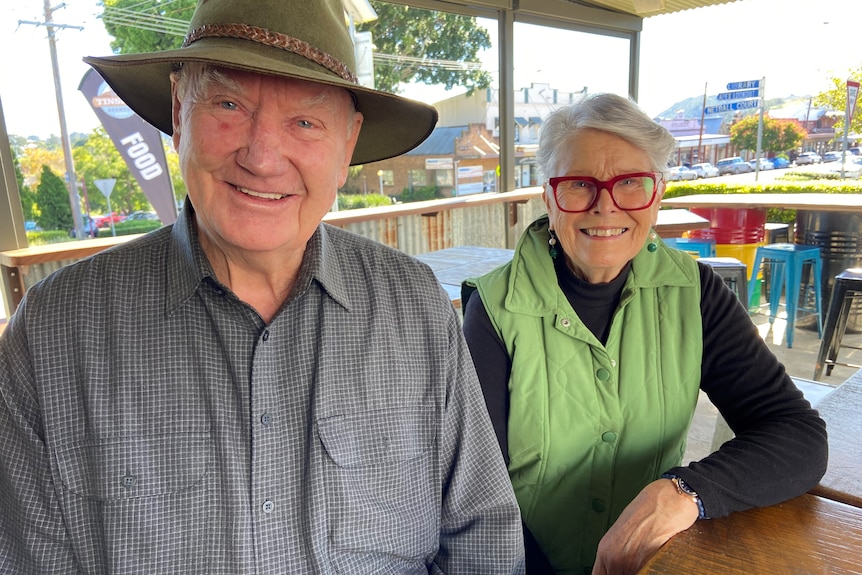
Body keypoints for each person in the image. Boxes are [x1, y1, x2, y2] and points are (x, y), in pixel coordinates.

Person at [0, 0, 525, 572]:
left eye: (305, 121)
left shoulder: (416, 307)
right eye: (228, 104)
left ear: (347, 146)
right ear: (179, 113)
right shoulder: (54, 333)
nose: (262, 156)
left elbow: (483, 531)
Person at [462, 93, 828, 575]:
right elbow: (476, 498)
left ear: (656, 193)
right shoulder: (492, 310)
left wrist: (683, 492)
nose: (605, 208)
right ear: (550, 197)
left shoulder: (693, 293)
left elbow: (797, 436)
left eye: (630, 183)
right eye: (578, 185)